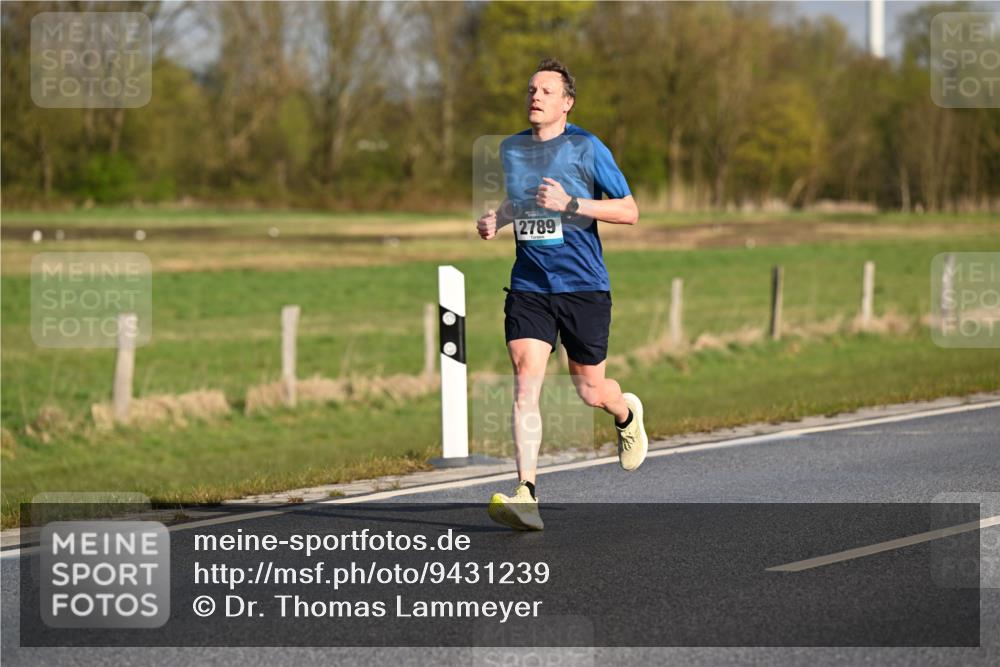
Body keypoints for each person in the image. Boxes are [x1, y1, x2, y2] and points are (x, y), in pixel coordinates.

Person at [476, 58, 648, 531]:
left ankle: (625, 411)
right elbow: (521, 201)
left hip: (583, 285)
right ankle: (526, 492)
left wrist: (572, 204)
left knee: (590, 390)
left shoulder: (587, 148)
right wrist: (497, 218)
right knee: (526, 375)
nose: (535, 96)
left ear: (567, 103)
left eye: (547, 91)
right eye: (532, 89)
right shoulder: (512, 149)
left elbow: (630, 211)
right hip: (531, 283)